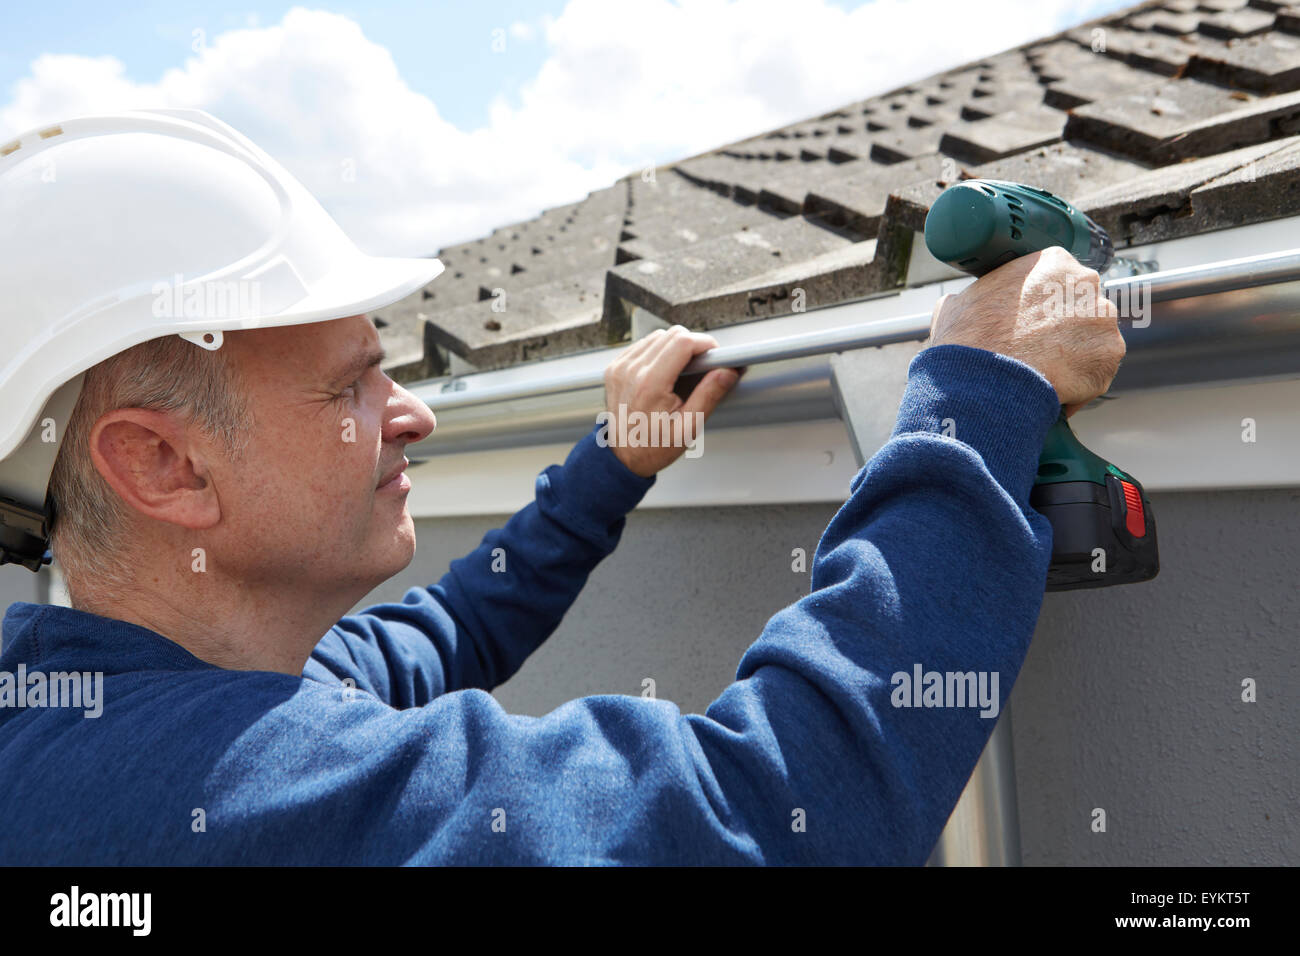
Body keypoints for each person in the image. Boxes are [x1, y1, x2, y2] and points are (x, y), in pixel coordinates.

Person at [0, 110, 1122, 864]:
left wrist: (611, 459)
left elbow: (449, 628)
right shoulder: (213, 790)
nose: (413, 410)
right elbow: (770, 813)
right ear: (163, 464)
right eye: (349, 385)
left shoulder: (124, 691)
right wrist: (979, 394)